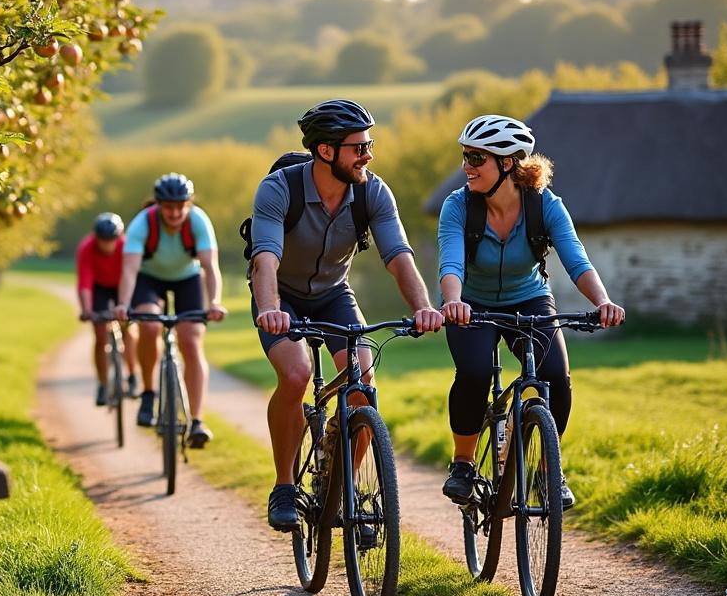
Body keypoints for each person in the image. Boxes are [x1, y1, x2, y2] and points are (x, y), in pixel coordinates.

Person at [249, 99, 444, 533]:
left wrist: (424, 308)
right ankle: (284, 485)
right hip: (281, 297)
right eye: (359, 147)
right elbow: (265, 259)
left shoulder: (372, 191)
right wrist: (269, 310)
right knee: (297, 374)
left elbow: (399, 257)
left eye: (369, 144)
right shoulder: (280, 189)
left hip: (335, 294)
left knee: (362, 383)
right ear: (325, 151)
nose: (368, 155)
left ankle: (343, 488)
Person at [437, 114, 625, 510]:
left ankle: (546, 472)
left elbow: (577, 261)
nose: (466, 167)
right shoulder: (458, 207)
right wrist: (453, 301)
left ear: (507, 164)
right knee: (473, 373)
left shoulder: (546, 207)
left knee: (555, 375)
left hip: (529, 298)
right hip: (471, 303)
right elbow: (450, 264)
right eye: (465, 157)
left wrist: (602, 302)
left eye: (475, 158)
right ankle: (464, 464)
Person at [113, 174, 226, 448]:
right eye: (168, 206)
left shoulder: (198, 220)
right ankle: (149, 393)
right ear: (158, 205)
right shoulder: (143, 223)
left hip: (188, 279)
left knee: (191, 341)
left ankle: (197, 420)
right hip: (148, 279)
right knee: (150, 326)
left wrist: (214, 302)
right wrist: (123, 305)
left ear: (188, 204)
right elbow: (129, 270)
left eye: (180, 206)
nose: (174, 213)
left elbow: (210, 267)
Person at [76, 212, 139, 405]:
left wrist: (127, 304)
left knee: (129, 329)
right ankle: (103, 384)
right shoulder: (87, 248)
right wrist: (87, 309)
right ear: (96, 237)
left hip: (122, 285)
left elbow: (131, 274)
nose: (107, 244)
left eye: (111, 239)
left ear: (118, 237)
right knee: (100, 334)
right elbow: (85, 282)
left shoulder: (126, 246)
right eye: (103, 240)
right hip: (99, 288)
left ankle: (132, 375)